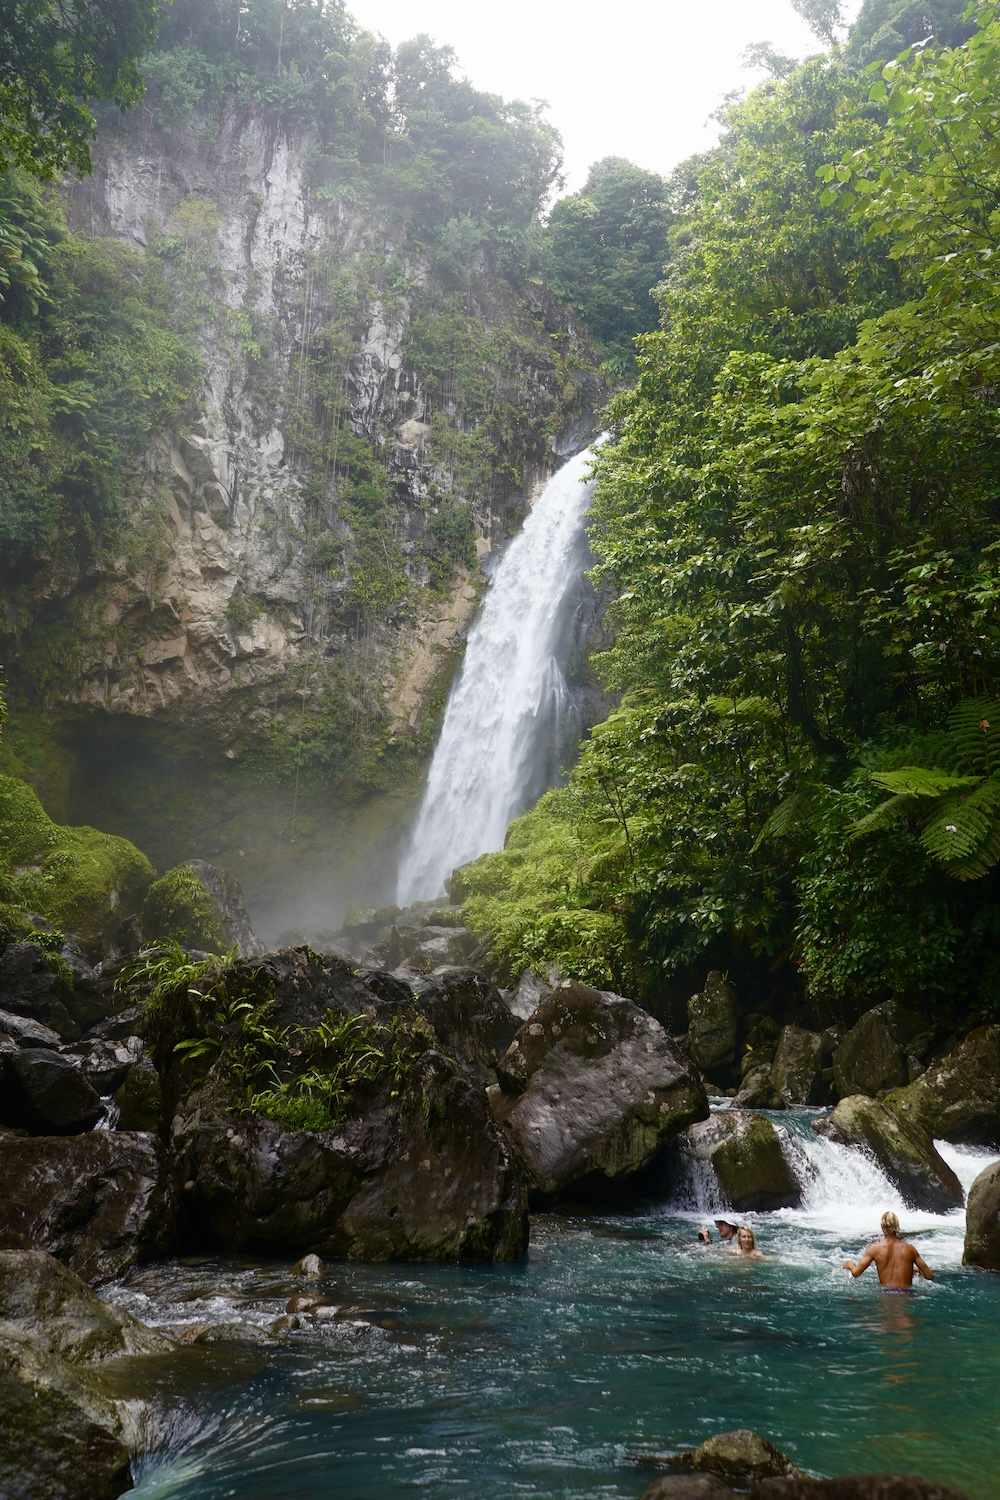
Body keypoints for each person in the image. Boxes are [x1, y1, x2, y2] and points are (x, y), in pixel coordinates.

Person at [842, 1210, 934, 1290]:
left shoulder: (874, 1249)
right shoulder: (910, 1249)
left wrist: (850, 1265)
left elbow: (856, 1273)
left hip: (886, 1294)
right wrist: (913, 1270)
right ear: (897, 1226)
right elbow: (929, 1276)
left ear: (882, 1227)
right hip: (906, 1295)